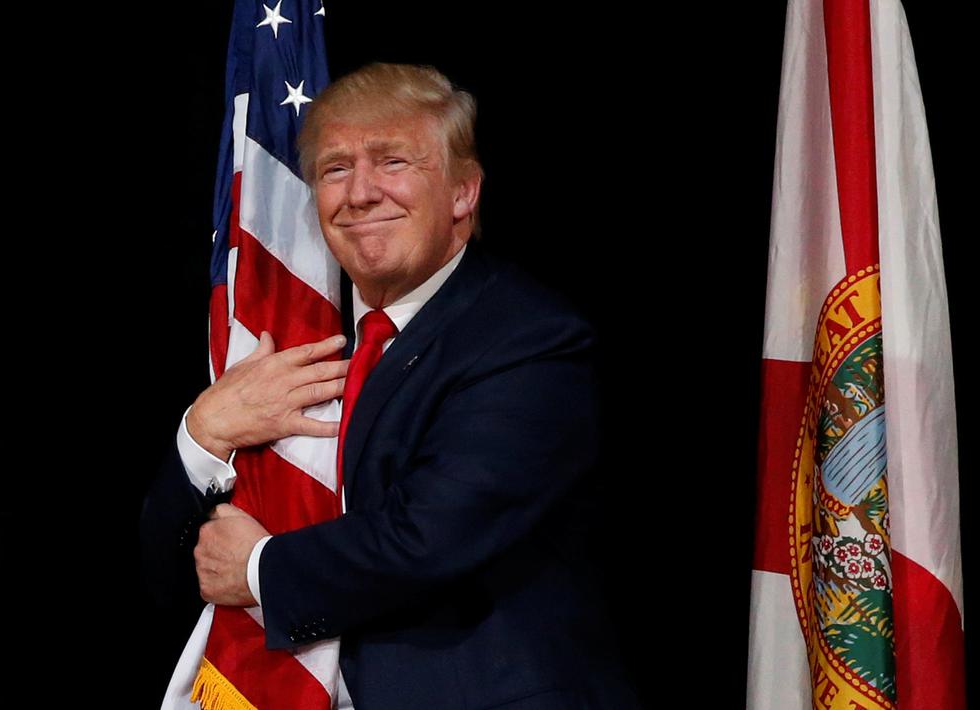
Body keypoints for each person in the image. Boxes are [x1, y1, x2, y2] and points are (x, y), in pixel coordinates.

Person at [141, 62, 640, 709]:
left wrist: (257, 568)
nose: (360, 192)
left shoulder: (526, 339)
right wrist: (204, 431)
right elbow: (163, 573)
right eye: (334, 168)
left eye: (392, 162)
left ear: (463, 191)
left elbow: (427, 536)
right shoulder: (293, 336)